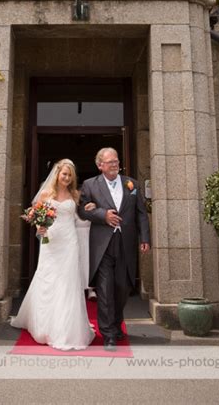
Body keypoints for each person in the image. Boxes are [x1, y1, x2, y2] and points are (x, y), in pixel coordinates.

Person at [11, 158, 95, 350]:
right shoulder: (46, 193)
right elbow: (36, 215)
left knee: (68, 281)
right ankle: (44, 324)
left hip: (69, 241)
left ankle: (66, 328)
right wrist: (39, 227)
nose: (66, 178)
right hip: (50, 241)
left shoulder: (75, 194)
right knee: (48, 279)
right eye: (64, 174)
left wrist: (90, 208)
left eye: (69, 175)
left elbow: (81, 215)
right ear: (57, 174)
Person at [78, 147, 151, 351]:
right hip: (102, 245)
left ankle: (116, 322)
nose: (115, 164)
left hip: (125, 243)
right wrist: (102, 215)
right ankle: (108, 334)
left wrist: (144, 237)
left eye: (116, 161)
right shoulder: (90, 185)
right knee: (105, 289)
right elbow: (82, 210)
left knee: (123, 286)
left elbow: (141, 214)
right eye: (110, 162)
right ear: (100, 165)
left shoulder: (132, 184)